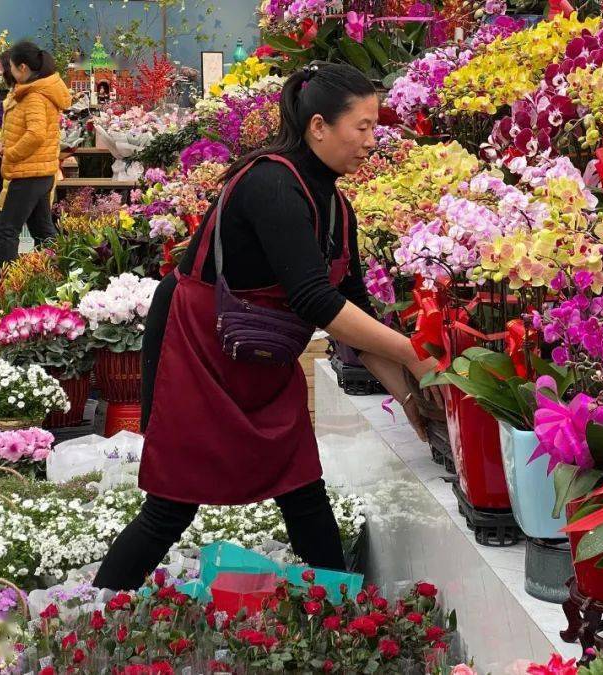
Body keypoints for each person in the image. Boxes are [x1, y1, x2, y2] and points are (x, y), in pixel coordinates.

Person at [93, 62, 441, 591]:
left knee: (303, 487)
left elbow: (355, 314)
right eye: (363, 127)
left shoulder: (335, 204)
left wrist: (413, 400)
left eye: (376, 127)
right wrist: (416, 356)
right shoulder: (272, 184)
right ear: (319, 126)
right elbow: (316, 301)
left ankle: (339, 612)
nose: (373, 141)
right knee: (172, 504)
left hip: (259, 354)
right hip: (199, 348)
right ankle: (95, 611)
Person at [0, 42, 70, 284]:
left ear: (22, 67)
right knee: (43, 231)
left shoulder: (34, 95)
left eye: (10, 66)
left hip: (29, 172)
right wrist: (2, 141)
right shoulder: (36, 91)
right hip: (40, 171)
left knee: (5, 229)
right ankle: (63, 275)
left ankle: (5, 285)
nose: (7, 72)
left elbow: (35, 134)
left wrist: (11, 153)